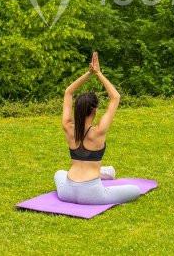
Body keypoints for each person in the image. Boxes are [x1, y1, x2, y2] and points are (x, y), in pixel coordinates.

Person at [53, 52, 141, 205]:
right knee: (135, 190)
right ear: (94, 110)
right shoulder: (98, 131)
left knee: (59, 173)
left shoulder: (68, 126)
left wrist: (88, 73)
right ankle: (103, 173)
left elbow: (68, 92)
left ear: (78, 109)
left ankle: (104, 173)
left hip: (66, 192)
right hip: (91, 194)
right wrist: (98, 73)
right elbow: (115, 97)